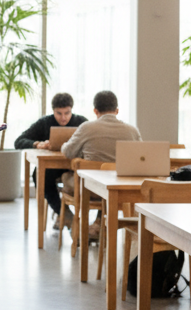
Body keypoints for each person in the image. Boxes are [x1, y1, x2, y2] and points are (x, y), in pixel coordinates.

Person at [59, 90, 141, 238]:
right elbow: (141, 159)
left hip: (90, 190)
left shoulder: (86, 128)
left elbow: (68, 152)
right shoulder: (132, 131)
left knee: (65, 177)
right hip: (120, 191)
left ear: (95, 111)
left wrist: (65, 144)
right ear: (117, 110)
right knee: (109, 181)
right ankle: (99, 224)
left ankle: (79, 223)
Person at [13, 92, 87, 228]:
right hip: (53, 167)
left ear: (71, 110)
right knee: (39, 175)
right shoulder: (45, 122)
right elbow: (19, 141)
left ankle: (66, 216)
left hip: (75, 166)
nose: (63, 117)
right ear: (53, 111)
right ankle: (63, 213)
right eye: (59, 113)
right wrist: (37, 144)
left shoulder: (81, 122)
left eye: (67, 113)